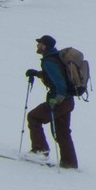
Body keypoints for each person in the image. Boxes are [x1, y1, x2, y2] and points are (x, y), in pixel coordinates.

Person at [25, 35, 78, 169]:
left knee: (34, 117)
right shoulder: (57, 58)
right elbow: (55, 76)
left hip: (59, 101)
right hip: (68, 101)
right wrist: (37, 74)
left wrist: (56, 100)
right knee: (62, 132)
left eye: (40, 44)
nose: (37, 46)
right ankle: (69, 163)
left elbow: (60, 84)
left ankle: (40, 150)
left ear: (45, 46)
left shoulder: (50, 61)